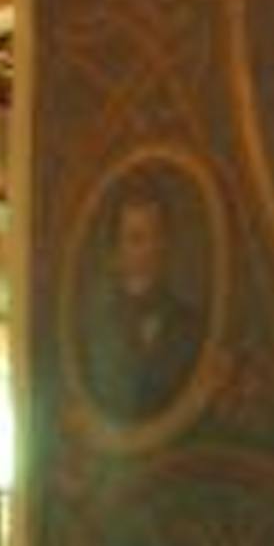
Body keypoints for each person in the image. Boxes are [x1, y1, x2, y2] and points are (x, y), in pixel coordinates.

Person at [80, 177, 207, 425]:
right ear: (116, 252)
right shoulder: (94, 328)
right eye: (137, 239)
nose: (151, 249)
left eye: (157, 235)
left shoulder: (192, 326)